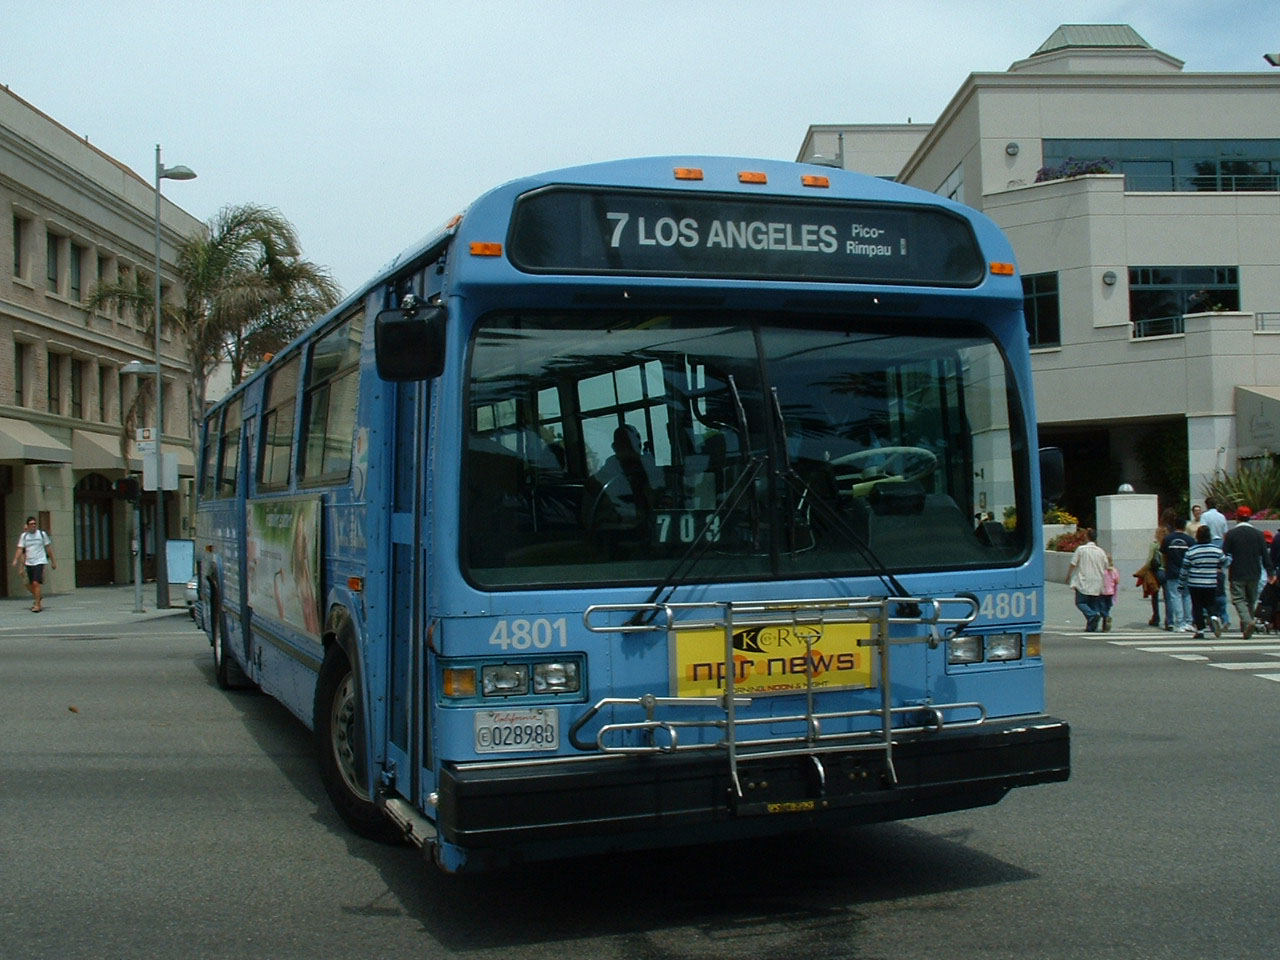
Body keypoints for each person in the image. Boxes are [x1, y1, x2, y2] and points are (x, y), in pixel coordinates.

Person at [1221, 505, 1276, 638]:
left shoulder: (1232, 534)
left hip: (1237, 572)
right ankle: (1247, 629)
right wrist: (1270, 572)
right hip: (1254, 572)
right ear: (1250, 517)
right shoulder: (1258, 534)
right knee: (1251, 600)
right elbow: (1265, 555)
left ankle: (1248, 622)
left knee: (1239, 599)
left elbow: (1224, 553)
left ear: (1237, 517)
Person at [1180, 525, 1227, 639]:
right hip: (1210, 581)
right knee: (1210, 602)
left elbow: (1185, 568)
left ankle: (1200, 630)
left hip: (1194, 582)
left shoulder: (1191, 551)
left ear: (1197, 536)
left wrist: (1181, 584)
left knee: (1197, 606)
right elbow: (1224, 561)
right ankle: (1214, 617)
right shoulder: (1216, 550)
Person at [1067, 527, 1109, 632]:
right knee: (1093, 604)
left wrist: (1068, 576)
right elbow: (1106, 566)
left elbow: (1073, 564)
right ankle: (1091, 626)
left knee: (1080, 602)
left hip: (1083, 580)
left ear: (1087, 537)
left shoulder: (1081, 550)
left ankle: (1092, 615)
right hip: (1097, 581)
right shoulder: (1101, 552)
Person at [12, 516, 56, 613]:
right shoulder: (24, 536)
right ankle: (38, 597)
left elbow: (48, 548)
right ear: (27, 526)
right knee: (30, 584)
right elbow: (20, 549)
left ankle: (37, 605)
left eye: (35, 524)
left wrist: (53, 562)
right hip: (29, 562)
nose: (33, 525)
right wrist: (15, 560)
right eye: (31, 524)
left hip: (40, 561)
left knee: (36, 583)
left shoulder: (41, 534)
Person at [1160, 516, 1195, 631]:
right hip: (1187, 571)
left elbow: (1163, 554)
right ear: (1185, 527)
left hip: (1172, 571)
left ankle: (1179, 623)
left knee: (1175, 597)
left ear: (1175, 526)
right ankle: (1188, 621)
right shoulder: (1190, 540)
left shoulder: (1168, 539)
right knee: (1187, 596)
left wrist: (1166, 566)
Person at [1100, 553, 1120, 632]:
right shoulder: (1114, 570)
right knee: (1107, 608)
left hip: (1102, 592)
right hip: (1111, 592)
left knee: (1101, 608)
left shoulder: (1102, 570)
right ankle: (1105, 626)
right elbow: (1117, 581)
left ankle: (1106, 617)